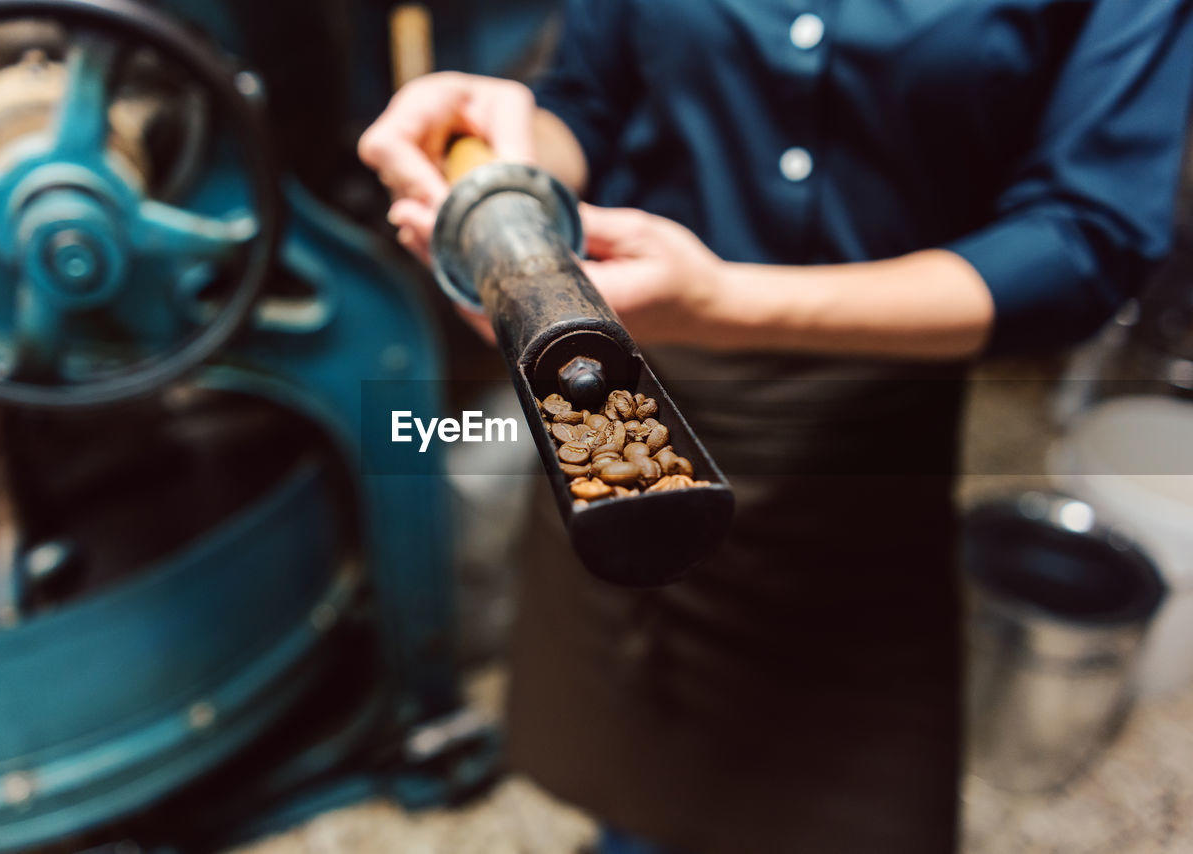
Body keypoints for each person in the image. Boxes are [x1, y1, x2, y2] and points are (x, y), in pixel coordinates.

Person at [359, 2, 1193, 852]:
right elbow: (588, 103)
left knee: (834, 788)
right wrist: (500, 159)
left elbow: (1087, 239)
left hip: (866, 414)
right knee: (637, 752)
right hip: (628, 379)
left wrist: (729, 304)